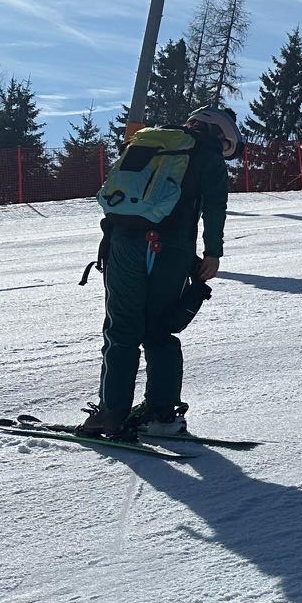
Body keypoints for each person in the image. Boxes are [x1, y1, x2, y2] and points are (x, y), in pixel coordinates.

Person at [83, 104, 238, 439]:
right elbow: (215, 206)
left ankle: (111, 414)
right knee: (158, 330)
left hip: (121, 241)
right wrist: (213, 252)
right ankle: (161, 414)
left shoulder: (149, 140)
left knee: (121, 329)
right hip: (169, 249)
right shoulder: (206, 155)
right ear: (220, 134)